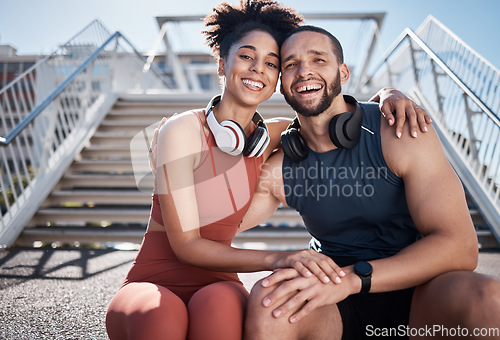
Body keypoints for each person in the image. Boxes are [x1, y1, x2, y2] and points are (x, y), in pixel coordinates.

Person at [105, 1, 432, 339]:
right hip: (155, 276)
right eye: (246, 56)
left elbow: (331, 118)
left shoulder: (275, 136)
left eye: (271, 63)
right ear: (222, 64)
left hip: (218, 281)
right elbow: (187, 245)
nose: (257, 68)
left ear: (277, 78)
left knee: (218, 312)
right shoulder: (181, 131)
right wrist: (280, 258)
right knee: (161, 318)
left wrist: (389, 94)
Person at [242, 25, 500, 340]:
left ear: (343, 72)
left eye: (318, 60)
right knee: (270, 301)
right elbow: (212, 227)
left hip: (418, 290)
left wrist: (353, 279)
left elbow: (460, 248)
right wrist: (256, 136)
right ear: (282, 82)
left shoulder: (401, 130)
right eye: (291, 64)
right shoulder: (281, 166)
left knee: (491, 300)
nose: (304, 71)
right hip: (331, 299)